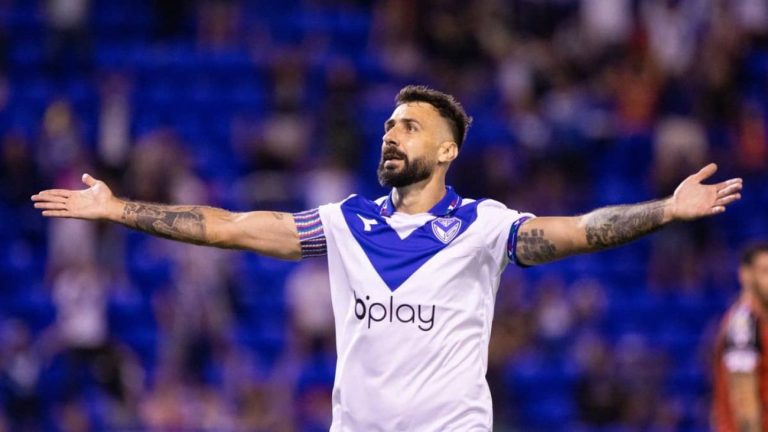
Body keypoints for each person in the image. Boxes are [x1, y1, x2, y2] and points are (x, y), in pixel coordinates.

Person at [32, 85, 743, 430]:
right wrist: (117, 209)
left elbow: (582, 229)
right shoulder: (343, 224)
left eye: (409, 126)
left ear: (446, 150)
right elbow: (229, 227)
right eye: (388, 125)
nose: (391, 134)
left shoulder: (486, 227)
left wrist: (666, 211)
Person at [712, 243, 768, 432]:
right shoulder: (743, 324)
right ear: (746, 275)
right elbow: (745, 403)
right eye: (765, 271)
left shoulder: (761, 322)